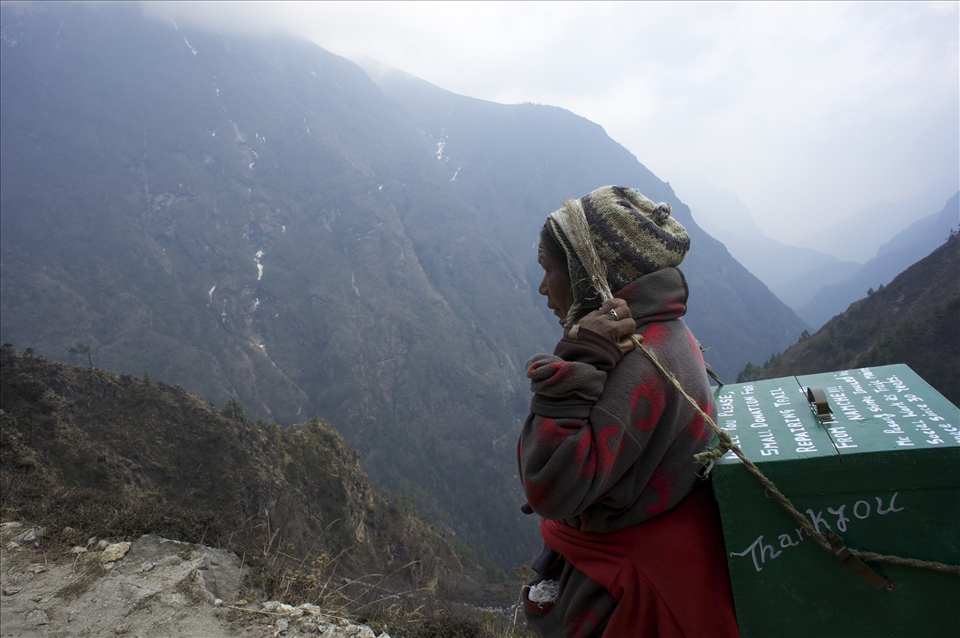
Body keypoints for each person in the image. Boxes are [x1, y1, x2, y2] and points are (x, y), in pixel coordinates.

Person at [518, 186, 739, 637]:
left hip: (629, 596)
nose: (542, 287)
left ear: (587, 274)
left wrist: (579, 360)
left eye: (548, 270)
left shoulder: (635, 364)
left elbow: (549, 485)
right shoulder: (666, 332)